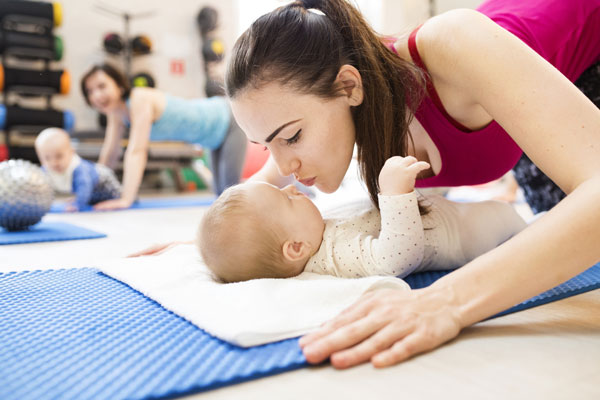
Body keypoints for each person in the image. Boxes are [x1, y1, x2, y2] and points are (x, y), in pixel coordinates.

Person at [224, 0, 600, 368]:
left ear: (349, 86)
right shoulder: (350, 112)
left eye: (291, 137)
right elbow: (261, 193)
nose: (285, 166)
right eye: (267, 145)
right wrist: (225, 234)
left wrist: (446, 301)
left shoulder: (454, 41)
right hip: (550, 66)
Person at [199, 156, 526, 283]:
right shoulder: (334, 256)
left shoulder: (312, 233)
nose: (295, 192)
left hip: (444, 213)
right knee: (510, 222)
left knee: (504, 215)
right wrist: (395, 194)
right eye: (287, 199)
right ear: (296, 248)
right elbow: (396, 259)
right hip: (463, 235)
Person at [80, 63, 247, 210]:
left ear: (119, 86)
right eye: (90, 91)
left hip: (227, 119)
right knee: (220, 195)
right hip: (211, 138)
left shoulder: (139, 98)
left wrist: (126, 199)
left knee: (229, 197)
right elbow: (110, 153)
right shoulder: (116, 113)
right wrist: (91, 193)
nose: (96, 96)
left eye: (102, 86)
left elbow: (137, 151)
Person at [34, 127, 121, 211]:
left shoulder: (79, 168)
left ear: (71, 152)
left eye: (59, 156)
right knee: (90, 198)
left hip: (104, 181)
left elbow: (85, 187)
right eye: (47, 158)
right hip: (92, 193)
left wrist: (78, 204)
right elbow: (40, 184)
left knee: (116, 194)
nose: (54, 163)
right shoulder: (46, 169)